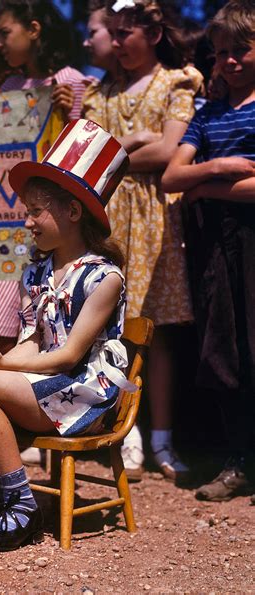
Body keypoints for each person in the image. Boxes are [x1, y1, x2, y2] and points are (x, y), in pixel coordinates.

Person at [0, 119, 135, 552]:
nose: (27, 220)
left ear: (73, 212)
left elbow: (68, 356)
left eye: (36, 210)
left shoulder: (103, 277)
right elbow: (34, 339)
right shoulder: (37, 270)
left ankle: (21, 506)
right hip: (46, 382)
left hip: (84, 391)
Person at [0, 1, 93, 469]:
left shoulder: (72, 82)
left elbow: (82, 160)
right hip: (4, 224)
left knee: (41, 322)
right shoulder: (10, 87)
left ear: (35, 30)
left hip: (48, 229)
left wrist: (72, 112)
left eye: (4, 33)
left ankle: (29, 420)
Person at [81, 0, 202, 482]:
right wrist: (133, 142)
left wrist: (116, 151)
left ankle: (162, 438)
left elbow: (172, 149)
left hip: (155, 216)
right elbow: (88, 155)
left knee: (157, 330)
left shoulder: (176, 82)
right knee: (108, 330)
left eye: (127, 32)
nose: (118, 41)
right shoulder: (100, 92)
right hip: (108, 217)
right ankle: (122, 433)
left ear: (152, 33)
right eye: (114, 32)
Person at [162, 0, 255, 502]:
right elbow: (173, 175)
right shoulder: (210, 113)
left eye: (240, 49)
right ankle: (238, 459)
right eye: (221, 53)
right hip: (217, 244)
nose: (229, 61)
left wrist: (206, 187)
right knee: (225, 348)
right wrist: (226, 167)